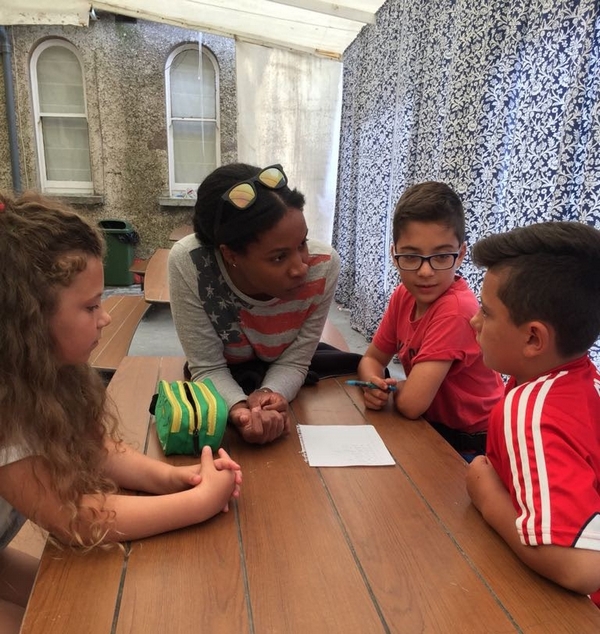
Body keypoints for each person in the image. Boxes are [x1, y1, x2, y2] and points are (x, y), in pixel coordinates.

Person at [0, 192, 242, 633]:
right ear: (27, 322)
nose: (105, 317)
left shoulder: (39, 377)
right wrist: (200, 502)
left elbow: (97, 449)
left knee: (66, 612)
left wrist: (176, 479)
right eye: (91, 306)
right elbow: (77, 518)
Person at [466, 220, 600, 606]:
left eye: (486, 312)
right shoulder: (582, 377)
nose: (474, 321)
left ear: (533, 338)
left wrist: (488, 497)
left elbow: (583, 569)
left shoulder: (531, 412)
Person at [169, 163, 342, 445]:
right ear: (230, 255)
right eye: (278, 257)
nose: (301, 268)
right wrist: (239, 412)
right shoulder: (191, 264)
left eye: (302, 243)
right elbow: (207, 366)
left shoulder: (323, 267)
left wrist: (270, 395)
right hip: (222, 374)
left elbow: (295, 361)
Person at [356, 181, 504, 458]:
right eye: (412, 256)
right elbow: (372, 359)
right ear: (394, 254)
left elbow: (412, 404)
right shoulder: (403, 295)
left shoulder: (456, 310)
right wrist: (373, 384)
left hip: (473, 444)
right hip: (434, 425)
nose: (425, 272)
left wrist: (395, 388)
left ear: (460, 255)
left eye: (442, 255)